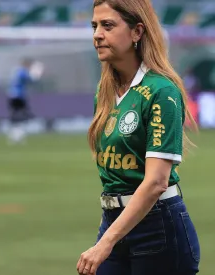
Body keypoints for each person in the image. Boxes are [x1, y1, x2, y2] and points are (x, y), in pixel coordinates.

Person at [77, 1, 200, 275]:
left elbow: (156, 181)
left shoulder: (161, 92)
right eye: (94, 26)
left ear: (137, 32)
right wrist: (108, 227)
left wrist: (105, 242)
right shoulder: (105, 91)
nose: (97, 34)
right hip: (114, 221)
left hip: (159, 228)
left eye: (108, 25)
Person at [7, 57, 43, 145]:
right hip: (19, 96)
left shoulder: (16, 71)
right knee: (23, 115)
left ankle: (15, 135)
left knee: (15, 115)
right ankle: (17, 135)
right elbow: (32, 80)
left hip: (11, 95)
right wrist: (37, 72)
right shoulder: (22, 71)